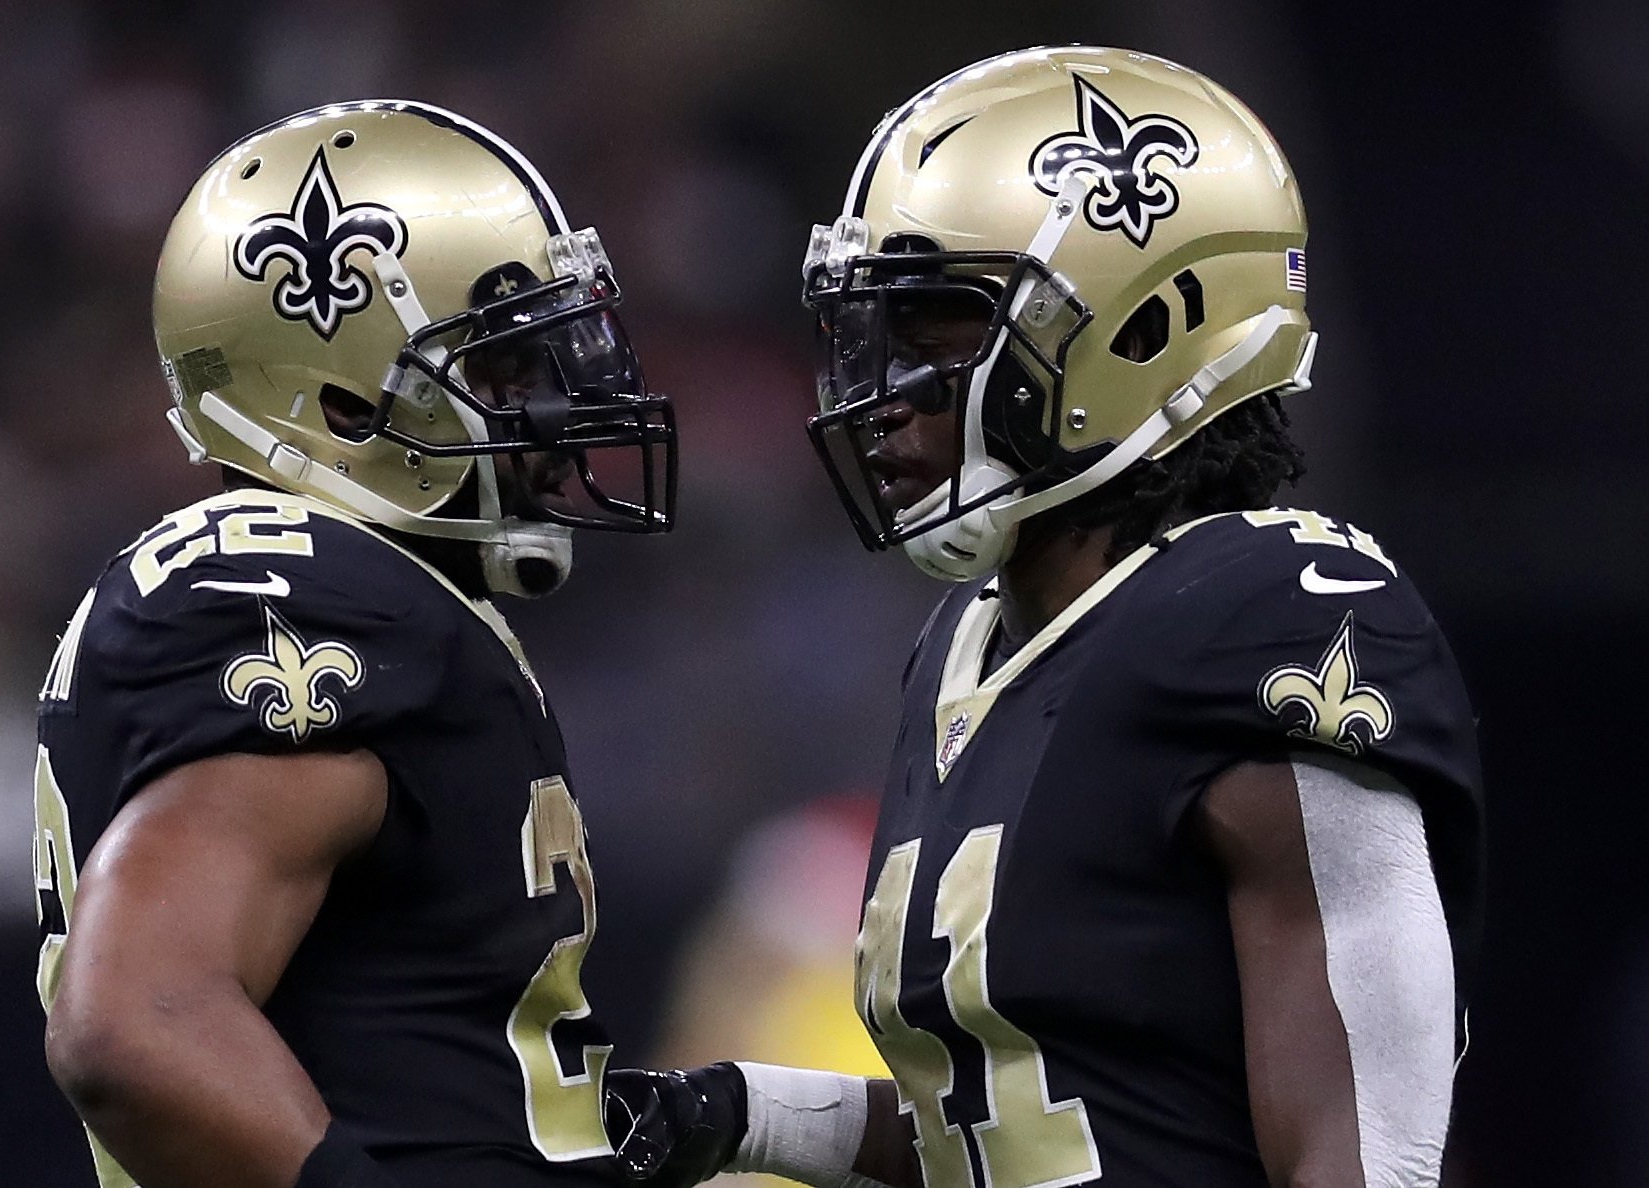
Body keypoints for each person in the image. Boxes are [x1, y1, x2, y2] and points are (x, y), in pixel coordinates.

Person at [604, 46, 1480, 1188]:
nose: (882, 397)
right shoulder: (970, 644)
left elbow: (1370, 1160)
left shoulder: (1267, 614)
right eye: (871, 338)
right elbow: (1019, 1130)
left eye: (934, 338)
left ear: (1146, 328)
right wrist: (738, 1112)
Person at [33, 100, 675, 1188]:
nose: (560, 407)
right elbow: (137, 1023)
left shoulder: (386, 597)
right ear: (338, 400)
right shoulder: (289, 585)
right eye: (505, 372)